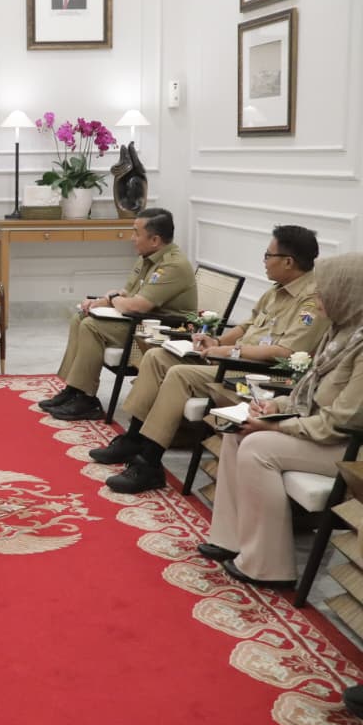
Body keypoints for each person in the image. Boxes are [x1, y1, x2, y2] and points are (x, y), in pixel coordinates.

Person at [99, 225, 328, 493]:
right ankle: (133, 438)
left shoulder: (311, 301)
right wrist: (217, 342)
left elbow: (286, 352)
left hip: (260, 375)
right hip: (233, 361)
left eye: (268, 255)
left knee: (179, 374)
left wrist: (230, 352)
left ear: (288, 262)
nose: (264, 261)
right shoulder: (276, 290)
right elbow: (246, 327)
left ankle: (149, 463)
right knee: (157, 356)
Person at [198, 252, 363, 588]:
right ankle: (230, 539)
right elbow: (307, 393)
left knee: (257, 446)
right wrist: (274, 406)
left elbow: (339, 422)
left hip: (348, 448)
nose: (318, 297)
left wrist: (275, 426)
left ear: (346, 292)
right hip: (320, 433)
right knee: (236, 431)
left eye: (324, 290)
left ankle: (268, 565)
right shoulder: (339, 333)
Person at [42, 208, 198, 421]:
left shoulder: (173, 265)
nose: (131, 238)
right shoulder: (147, 257)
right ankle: (73, 389)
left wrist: (113, 297)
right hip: (142, 322)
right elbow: (127, 293)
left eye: (136, 233)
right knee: (80, 318)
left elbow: (136, 306)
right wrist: (99, 302)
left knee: (91, 327)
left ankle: (86, 400)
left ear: (155, 240)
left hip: (161, 331)